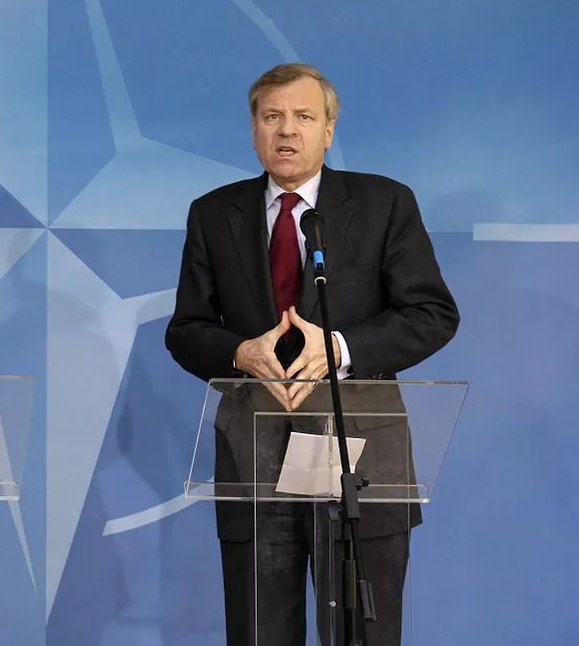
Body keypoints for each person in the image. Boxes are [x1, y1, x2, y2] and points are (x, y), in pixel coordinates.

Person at [165, 63, 459, 645]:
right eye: (272, 117)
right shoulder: (212, 212)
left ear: (329, 131)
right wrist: (241, 352)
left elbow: (432, 314)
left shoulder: (384, 204)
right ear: (253, 130)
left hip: (359, 455)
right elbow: (187, 329)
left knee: (360, 631)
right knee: (259, 630)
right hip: (254, 452)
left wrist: (343, 347)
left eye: (304, 117)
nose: (287, 131)